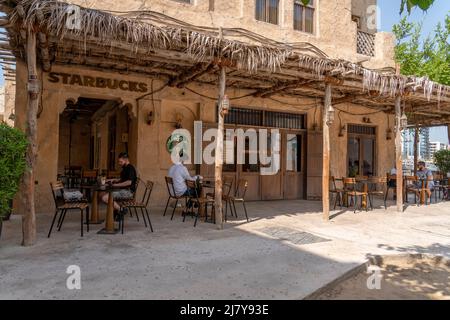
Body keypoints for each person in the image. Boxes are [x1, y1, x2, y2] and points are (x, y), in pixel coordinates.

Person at [100, 152, 137, 218]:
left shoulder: (130, 168)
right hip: (123, 190)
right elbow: (122, 179)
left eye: (121, 162)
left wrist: (115, 185)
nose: (119, 163)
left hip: (128, 192)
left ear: (126, 160)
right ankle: (116, 212)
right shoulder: (125, 168)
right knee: (102, 195)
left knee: (105, 198)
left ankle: (121, 210)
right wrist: (111, 180)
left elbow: (129, 182)